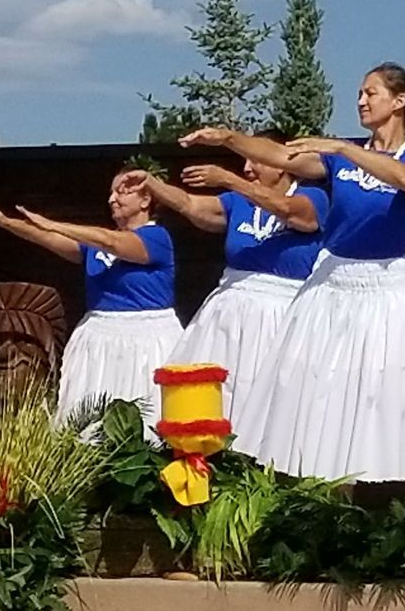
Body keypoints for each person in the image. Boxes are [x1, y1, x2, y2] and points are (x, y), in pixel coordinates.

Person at [178, 62, 405, 482]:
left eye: (371, 93)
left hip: (382, 284)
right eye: (360, 93)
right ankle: (302, 478)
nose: (361, 100)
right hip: (330, 281)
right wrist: (228, 139)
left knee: (380, 382)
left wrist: (345, 149)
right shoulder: (337, 159)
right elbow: (282, 156)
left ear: (400, 102)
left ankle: (383, 480)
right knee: (304, 377)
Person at [126, 133, 327, 423]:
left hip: (280, 314)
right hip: (229, 313)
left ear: (280, 164)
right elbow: (190, 205)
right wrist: (152, 184)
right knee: (211, 394)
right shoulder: (238, 203)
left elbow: (292, 213)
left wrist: (229, 180)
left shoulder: (314, 197)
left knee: (270, 400)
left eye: (255, 160)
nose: (246, 168)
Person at [0, 166, 181, 435]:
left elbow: (111, 242)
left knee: (147, 416)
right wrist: (6, 222)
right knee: (88, 421)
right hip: (99, 338)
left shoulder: (156, 238)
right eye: (110, 193)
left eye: (121, 192)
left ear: (146, 201)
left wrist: (53, 223)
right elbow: (48, 238)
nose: (112, 199)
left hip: (145, 340)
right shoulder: (94, 246)